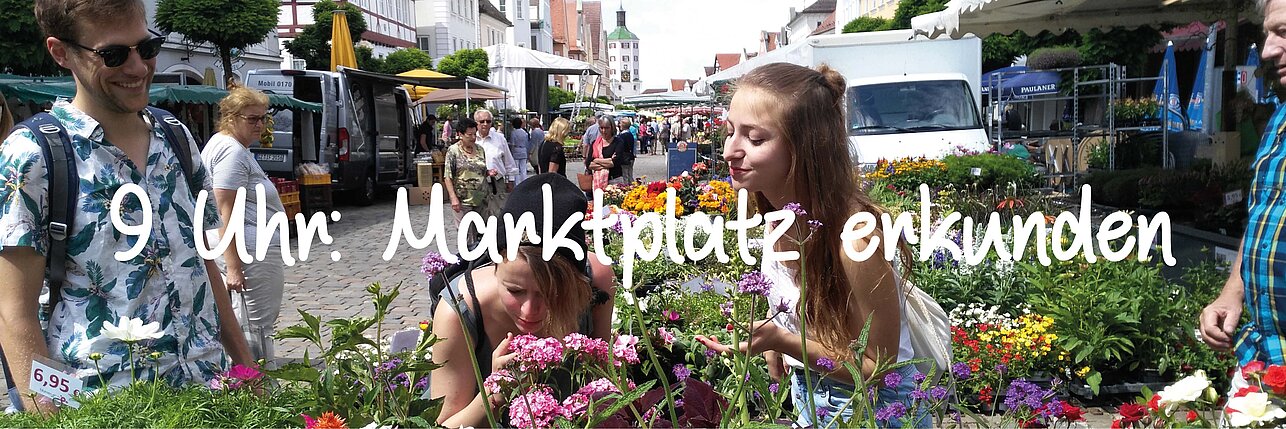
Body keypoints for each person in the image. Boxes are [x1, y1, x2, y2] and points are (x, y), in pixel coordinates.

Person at [0, 0, 253, 411]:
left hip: (209, 393)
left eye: (146, 48)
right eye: (113, 55)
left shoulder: (176, 136)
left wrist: (246, 368)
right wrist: (50, 419)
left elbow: (202, 263)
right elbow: (14, 312)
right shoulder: (34, 154)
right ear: (61, 52)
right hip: (105, 406)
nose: (138, 68)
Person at [695, 62, 925, 428]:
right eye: (729, 132)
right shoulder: (777, 215)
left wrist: (786, 342)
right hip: (812, 398)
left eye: (754, 139)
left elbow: (879, 369)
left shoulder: (855, 242)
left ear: (806, 150)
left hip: (872, 412)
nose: (729, 152)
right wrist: (773, 343)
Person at [430, 173, 616, 428]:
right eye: (515, 291)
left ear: (575, 281)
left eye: (551, 292)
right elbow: (443, 424)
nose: (530, 310)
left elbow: (605, 378)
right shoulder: (460, 312)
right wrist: (495, 393)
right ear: (495, 267)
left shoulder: (597, 279)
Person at [1201, 0, 1286, 369]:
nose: (1266, 51)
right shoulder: (1280, 120)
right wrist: (1232, 292)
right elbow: (1264, 219)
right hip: (1264, 361)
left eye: (1282, 32)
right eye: (1267, 34)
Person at [201, 85, 287, 366]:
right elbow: (225, 210)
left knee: (249, 324)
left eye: (263, 118)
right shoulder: (231, 152)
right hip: (249, 256)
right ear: (231, 118)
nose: (260, 125)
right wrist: (234, 267)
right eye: (252, 119)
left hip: (248, 251)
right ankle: (261, 389)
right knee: (256, 326)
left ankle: (251, 385)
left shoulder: (226, 145)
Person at [444, 118, 494, 247]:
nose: (473, 138)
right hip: (463, 199)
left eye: (474, 134)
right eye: (469, 135)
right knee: (466, 235)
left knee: (483, 233)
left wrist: (489, 172)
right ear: (460, 134)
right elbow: (448, 176)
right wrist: (453, 197)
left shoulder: (480, 149)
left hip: (482, 199)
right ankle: (468, 263)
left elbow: (480, 169)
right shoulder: (453, 151)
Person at [473, 110, 518, 215]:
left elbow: (508, 161)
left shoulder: (499, 138)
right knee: (478, 210)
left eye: (488, 121)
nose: (485, 124)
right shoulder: (472, 139)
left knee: (498, 211)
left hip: (497, 182)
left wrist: (510, 181)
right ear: (476, 122)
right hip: (478, 182)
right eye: (482, 121)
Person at [586, 116, 625, 188]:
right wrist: (609, 160)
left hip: (614, 180)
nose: (604, 131)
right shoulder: (595, 143)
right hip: (598, 180)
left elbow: (615, 162)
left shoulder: (618, 142)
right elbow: (588, 164)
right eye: (601, 128)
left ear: (612, 128)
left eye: (607, 128)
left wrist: (595, 160)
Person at [616, 116, 638, 183]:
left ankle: (627, 189)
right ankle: (633, 187)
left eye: (620, 124)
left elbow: (621, 147)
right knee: (630, 174)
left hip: (625, 157)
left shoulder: (622, 136)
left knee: (625, 175)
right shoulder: (630, 134)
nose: (619, 125)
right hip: (630, 156)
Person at [508, 117, 530, 184]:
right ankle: (524, 183)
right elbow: (527, 143)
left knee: (516, 169)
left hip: (516, 151)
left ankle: (517, 184)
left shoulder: (513, 133)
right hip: (523, 150)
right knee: (523, 169)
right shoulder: (525, 133)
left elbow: (512, 144)